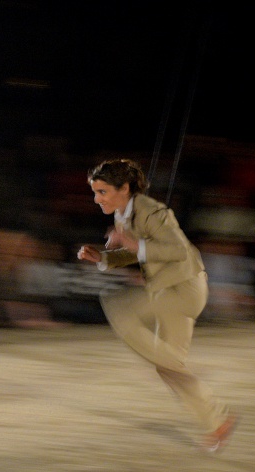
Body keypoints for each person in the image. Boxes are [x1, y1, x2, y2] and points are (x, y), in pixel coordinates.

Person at [77, 158, 239, 453]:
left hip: (182, 288)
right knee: (169, 369)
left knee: (119, 308)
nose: (97, 199)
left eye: (102, 192)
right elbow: (137, 253)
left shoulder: (152, 211)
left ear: (124, 188)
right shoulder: (123, 215)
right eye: (96, 192)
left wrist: (130, 243)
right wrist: (102, 258)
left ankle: (181, 369)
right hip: (169, 291)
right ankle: (218, 422)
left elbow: (177, 250)